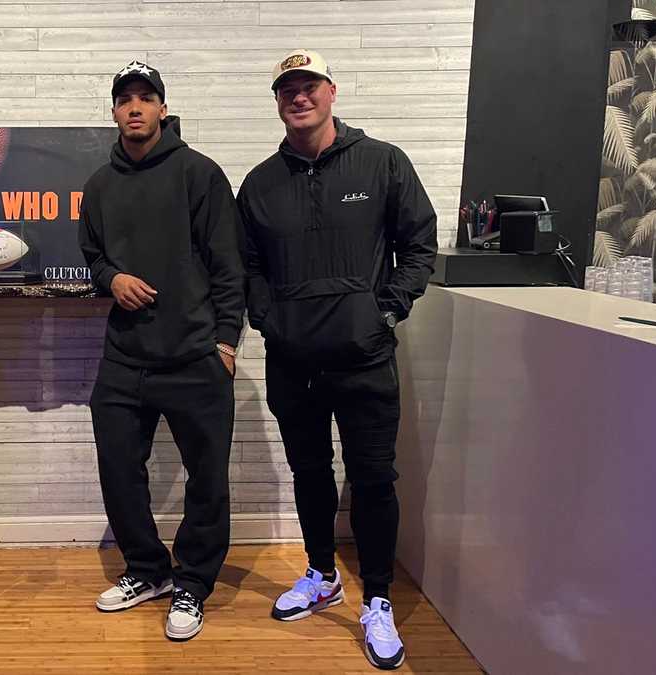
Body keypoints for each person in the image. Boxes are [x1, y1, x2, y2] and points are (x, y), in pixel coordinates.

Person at [238, 49, 438, 670]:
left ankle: (376, 599)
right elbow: (247, 269)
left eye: (309, 86)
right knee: (310, 475)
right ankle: (321, 574)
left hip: (364, 357)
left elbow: (420, 246)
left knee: (375, 478)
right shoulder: (260, 183)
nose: (299, 97)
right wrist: (271, 322)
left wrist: (384, 314)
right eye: (287, 89)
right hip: (293, 361)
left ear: (332, 92)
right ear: (278, 101)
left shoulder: (383, 162)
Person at [79, 61, 245, 642]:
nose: (134, 108)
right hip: (125, 357)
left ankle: (194, 583)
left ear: (162, 110)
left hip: (195, 354)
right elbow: (93, 255)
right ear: (115, 112)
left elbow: (229, 264)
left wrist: (225, 340)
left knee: (208, 478)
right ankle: (147, 570)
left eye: (145, 98)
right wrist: (111, 279)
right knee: (119, 469)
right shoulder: (100, 185)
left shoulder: (200, 174)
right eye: (125, 99)